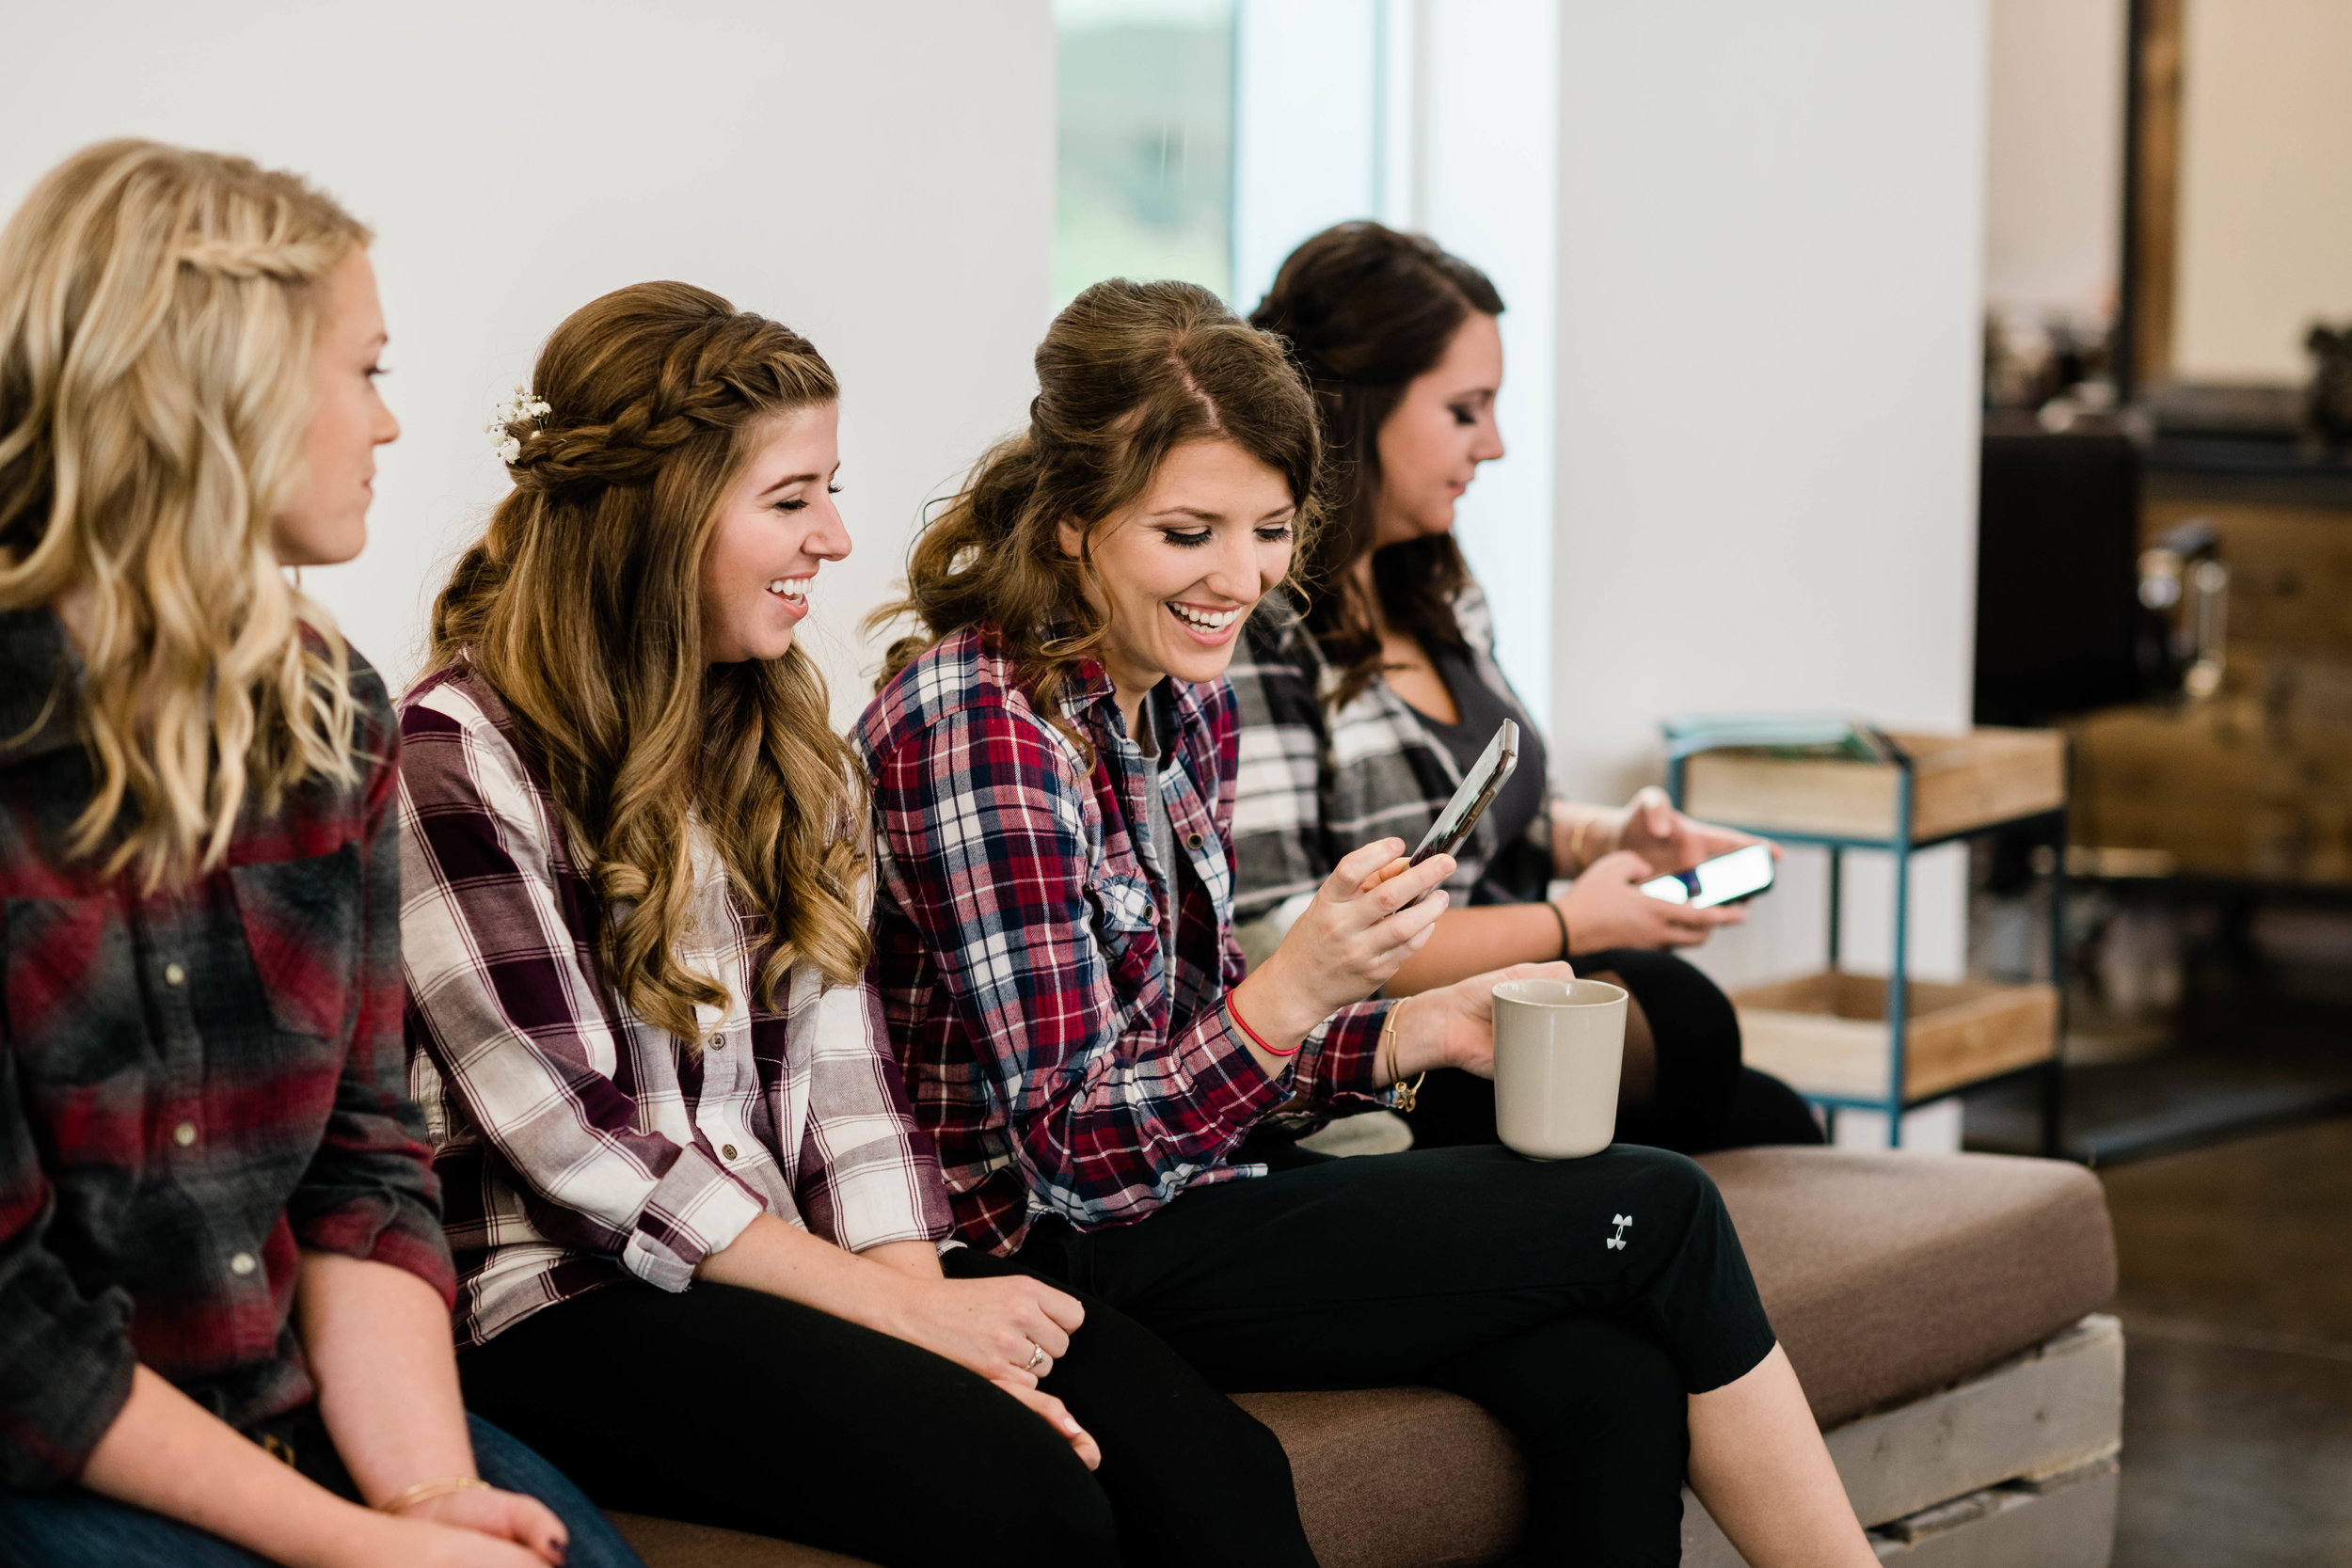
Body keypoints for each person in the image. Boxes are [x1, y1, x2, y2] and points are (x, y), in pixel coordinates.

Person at [855, 277, 1879, 1568]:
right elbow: (1075, 1149)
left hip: (1190, 1186)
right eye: (1188, 533)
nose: (1240, 577)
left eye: (1269, 529)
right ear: (1072, 522)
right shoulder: (982, 731)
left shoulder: (1176, 693)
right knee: (1656, 1207)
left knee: (1605, 1377)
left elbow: (1190, 1047)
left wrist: (1402, 1032)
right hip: (1057, 1242)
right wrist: (1297, 989)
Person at [399, 280, 1319, 1568]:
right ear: (653, 518)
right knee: (1030, 1497)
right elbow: (581, 1147)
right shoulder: (455, 753)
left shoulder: (792, 750)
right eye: (792, 498)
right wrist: (899, 1316)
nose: (836, 536)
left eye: (831, 487)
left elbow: (850, 1087)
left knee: (1216, 1469)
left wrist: (925, 1296)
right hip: (572, 1295)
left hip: (797, 1262)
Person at [0, 140, 639, 1568]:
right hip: (45, 1448)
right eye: (364, 371)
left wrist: (420, 1495)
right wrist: (356, 1546)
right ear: (214, 384)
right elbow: (13, 1325)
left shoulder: (326, 706)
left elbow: (362, 1160)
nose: (391, 427)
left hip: (280, 1398)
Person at [1231, 220, 1824, 1154]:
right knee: (1678, 1010)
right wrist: (1568, 918)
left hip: (1502, 1002)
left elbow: (1499, 812)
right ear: (1355, 410)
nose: (1495, 444)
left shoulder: (1436, 587)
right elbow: (1279, 936)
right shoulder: (1257, 630)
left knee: (1772, 1109)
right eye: (1465, 411)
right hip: (1380, 1054)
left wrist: (1608, 836)